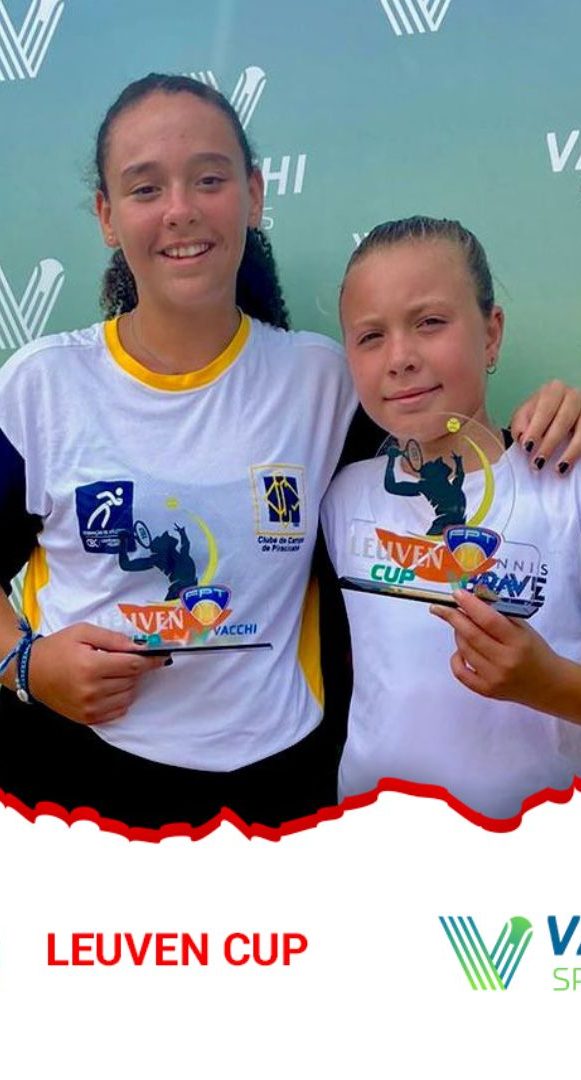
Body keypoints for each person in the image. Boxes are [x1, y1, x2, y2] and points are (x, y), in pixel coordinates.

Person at [0, 78, 579, 832]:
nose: (180, 209)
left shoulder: (324, 381)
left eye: (209, 179)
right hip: (78, 781)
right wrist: (24, 666)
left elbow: (449, 439)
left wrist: (556, 416)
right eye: (145, 188)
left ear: (254, 195)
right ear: (108, 216)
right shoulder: (38, 387)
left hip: (282, 794)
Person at [321, 215, 581, 820]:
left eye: (430, 323)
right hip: (373, 843)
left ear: (491, 334)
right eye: (370, 336)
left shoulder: (565, 486)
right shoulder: (340, 497)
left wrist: (549, 684)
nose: (400, 358)